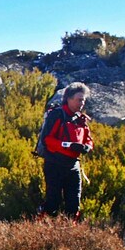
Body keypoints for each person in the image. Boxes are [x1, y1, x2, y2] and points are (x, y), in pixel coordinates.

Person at [40, 82, 94, 219]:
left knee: (74, 204)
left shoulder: (81, 119)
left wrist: (87, 146)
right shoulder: (57, 115)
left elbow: (89, 139)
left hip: (73, 166)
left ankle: (69, 232)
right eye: (79, 99)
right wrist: (68, 145)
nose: (82, 103)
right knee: (53, 202)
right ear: (69, 98)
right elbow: (47, 140)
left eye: (83, 100)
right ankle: (42, 230)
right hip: (55, 165)